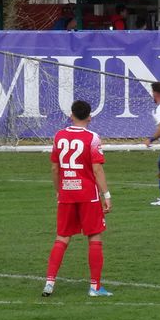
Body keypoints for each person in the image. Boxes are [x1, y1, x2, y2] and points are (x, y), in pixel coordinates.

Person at [43, 100, 113, 298]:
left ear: (71, 115)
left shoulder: (59, 136)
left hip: (66, 192)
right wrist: (106, 195)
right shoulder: (92, 138)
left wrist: (59, 190)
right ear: (90, 117)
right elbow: (97, 168)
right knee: (94, 236)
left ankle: (49, 283)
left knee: (62, 236)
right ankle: (95, 287)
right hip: (87, 194)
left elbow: (54, 168)